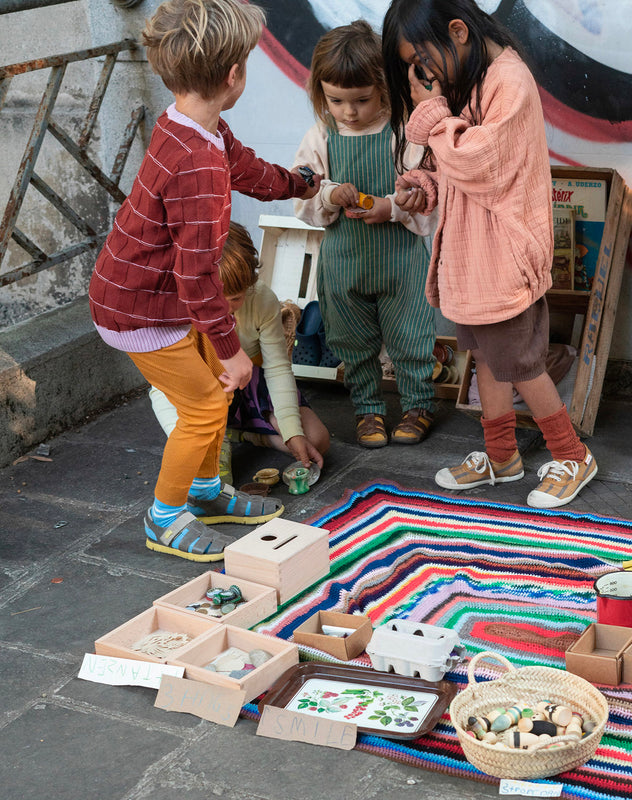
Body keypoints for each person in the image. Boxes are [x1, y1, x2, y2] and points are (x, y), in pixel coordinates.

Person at [88, 0, 321, 561]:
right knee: (201, 407)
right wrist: (232, 352)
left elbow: (244, 166)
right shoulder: (195, 165)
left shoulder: (194, 124)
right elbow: (196, 278)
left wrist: (298, 183)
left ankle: (206, 491)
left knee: (216, 395)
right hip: (142, 310)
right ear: (233, 74)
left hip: (149, 295)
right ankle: (165, 518)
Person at [381, 0, 597, 508]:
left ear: (458, 32)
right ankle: (501, 455)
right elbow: (455, 168)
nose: (423, 78)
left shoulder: (510, 83)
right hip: (471, 258)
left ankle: (572, 454)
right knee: (485, 356)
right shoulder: (471, 81)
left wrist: (431, 115)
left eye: (423, 63)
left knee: (521, 362)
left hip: (502, 255)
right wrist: (425, 185)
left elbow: (481, 162)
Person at [293, 20, 437, 449]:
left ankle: (418, 403)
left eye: (361, 100)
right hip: (344, 265)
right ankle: (368, 409)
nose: (349, 112)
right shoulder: (320, 137)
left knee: (412, 334)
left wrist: (391, 206)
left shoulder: (403, 133)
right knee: (350, 340)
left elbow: (428, 195)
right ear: (321, 93)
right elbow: (302, 198)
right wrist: (331, 194)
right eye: (336, 100)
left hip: (401, 263)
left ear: (384, 88)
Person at [149, 221, 330, 481]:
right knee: (211, 474)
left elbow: (277, 368)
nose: (228, 309)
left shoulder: (262, 299)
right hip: (200, 394)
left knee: (316, 441)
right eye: (218, 300)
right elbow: (162, 388)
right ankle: (224, 435)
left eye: (236, 298)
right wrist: (193, 440)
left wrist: (292, 432)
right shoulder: (174, 307)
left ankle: (247, 434)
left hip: (251, 384)